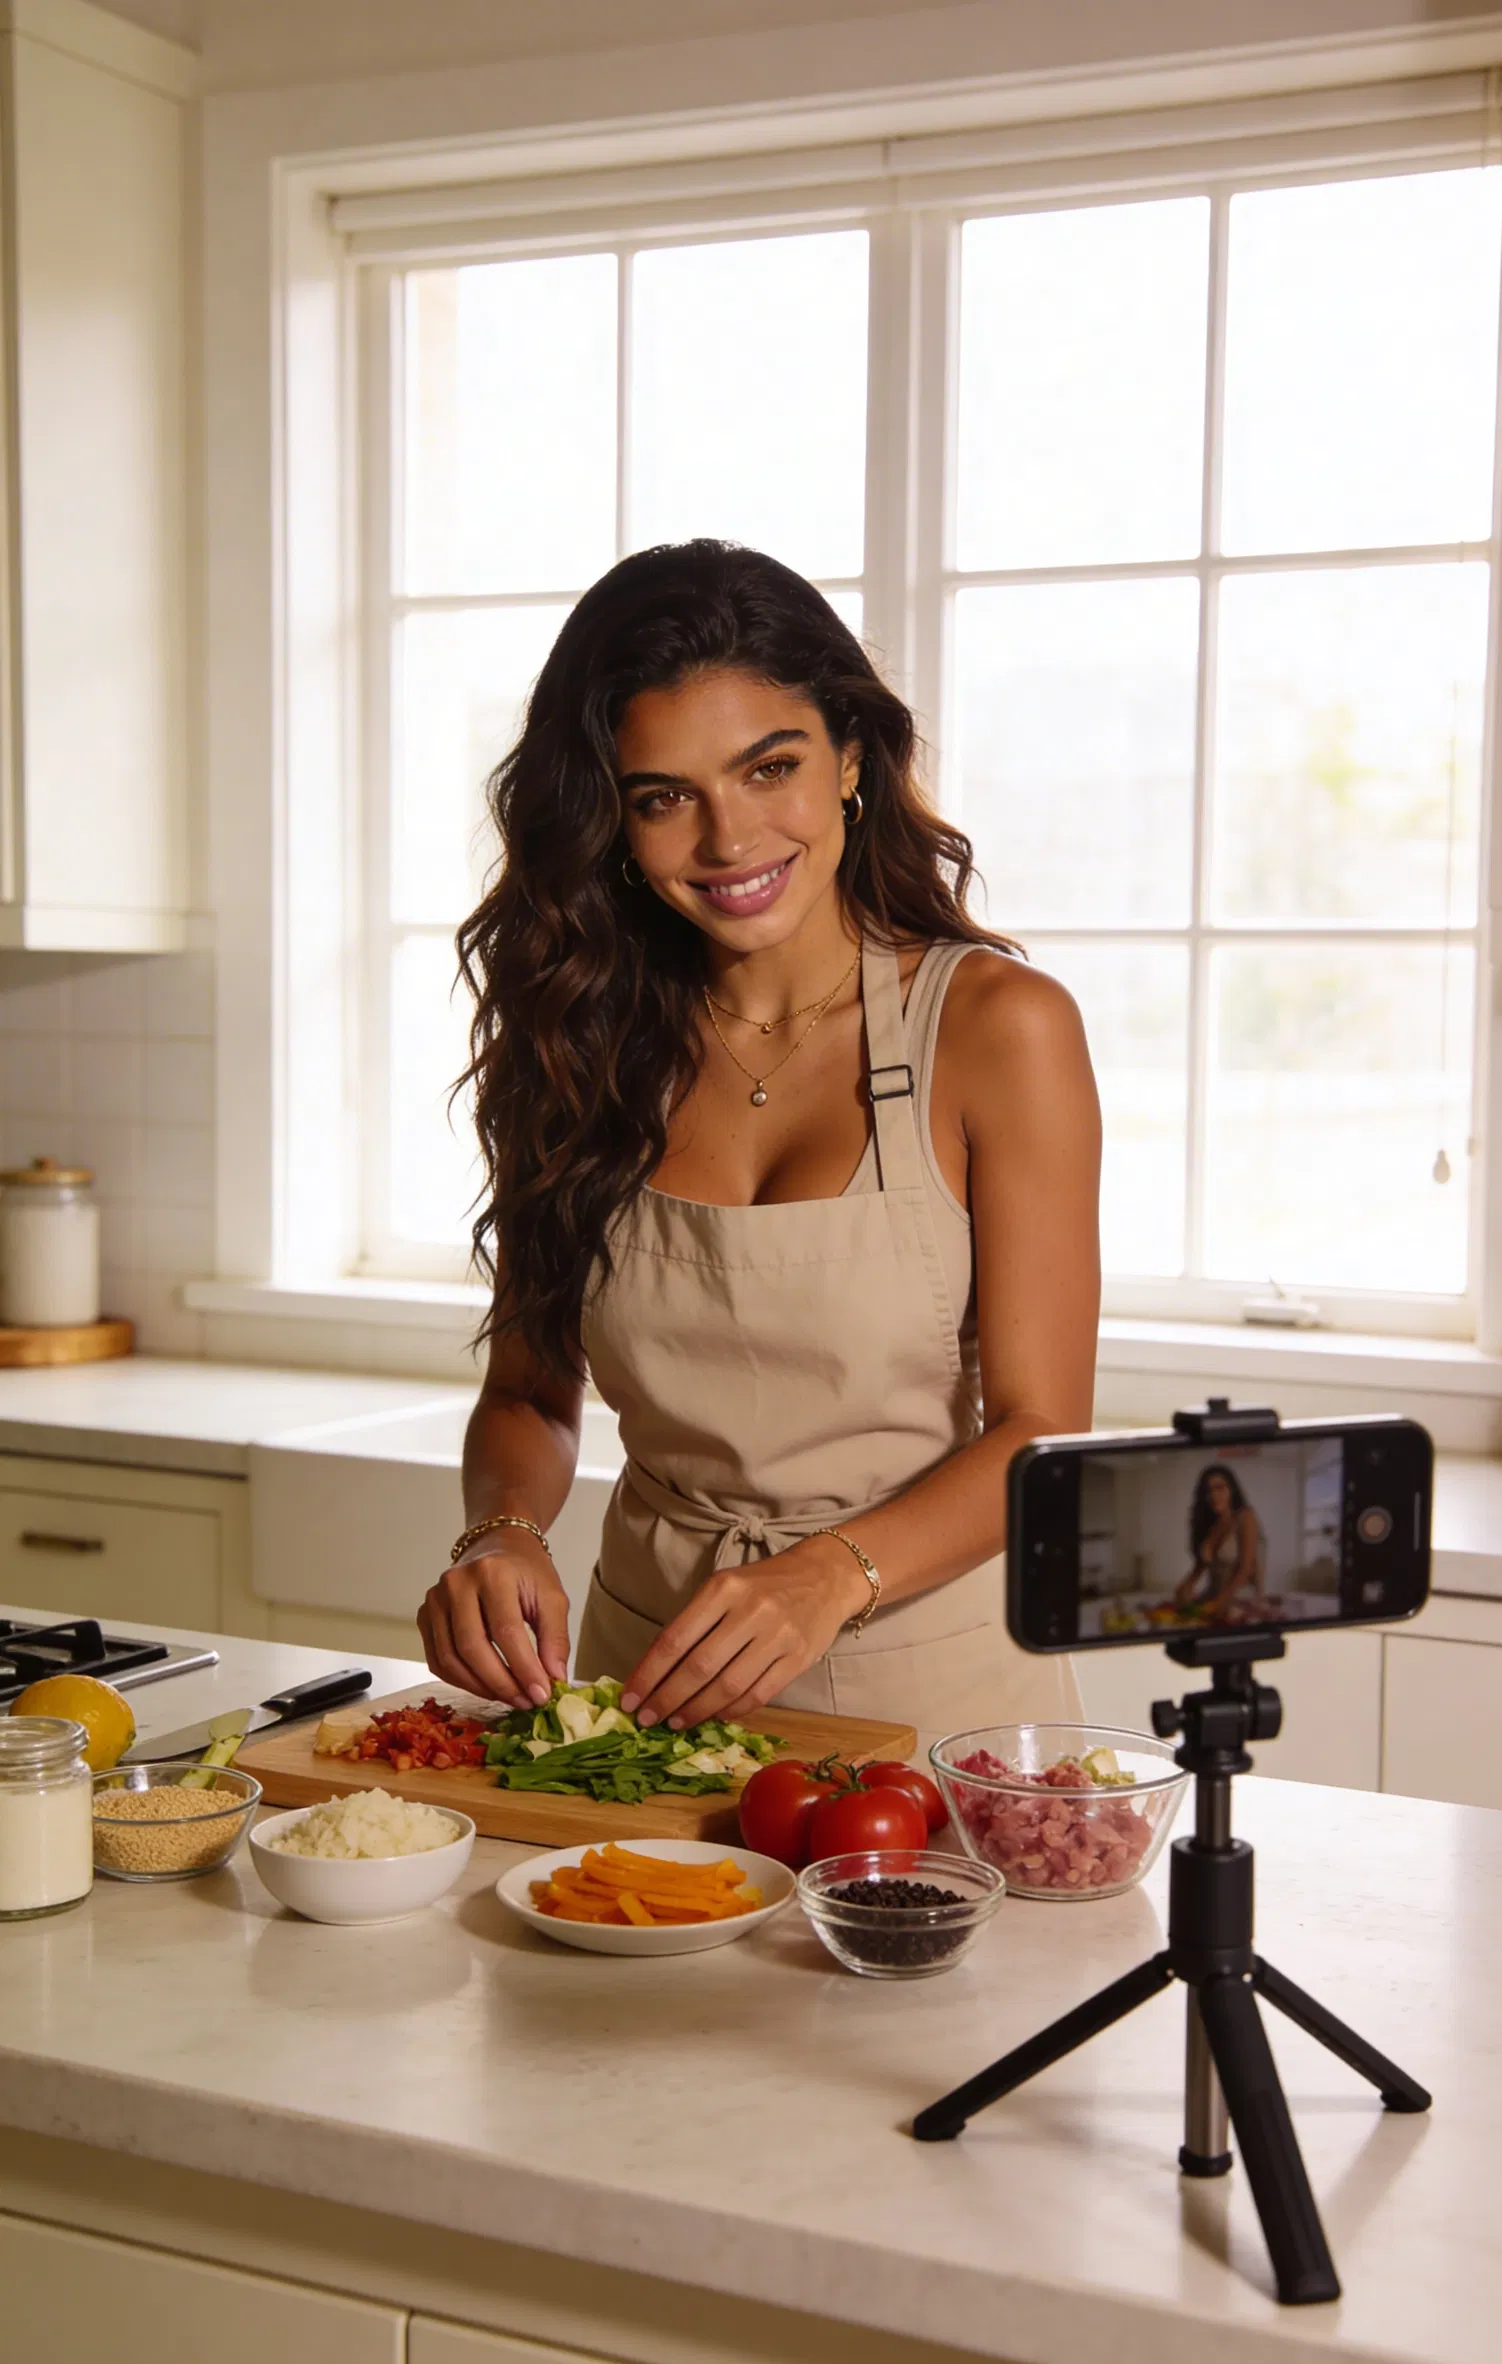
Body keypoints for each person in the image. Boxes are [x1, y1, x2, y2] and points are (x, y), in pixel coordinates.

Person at [417, 539, 1101, 1743]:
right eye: (663, 796)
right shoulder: (574, 1037)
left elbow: (1041, 1430)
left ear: (848, 758)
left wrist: (827, 1575)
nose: (728, 841)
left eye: (767, 766)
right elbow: (528, 1391)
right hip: (650, 1687)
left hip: (928, 1692)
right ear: (612, 822)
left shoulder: (999, 1029)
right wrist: (503, 1532)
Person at [1173, 1466, 1266, 1617]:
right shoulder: (1210, 1526)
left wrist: (1221, 1601)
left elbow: (1245, 1569)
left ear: (1232, 1490)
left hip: (1241, 1597)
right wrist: (1183, 1588)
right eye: (1208, 1491)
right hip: (1213, 1596)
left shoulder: (1246, 1517)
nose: (1214, 1495)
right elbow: (1198, 1570)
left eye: (1220, 1488)